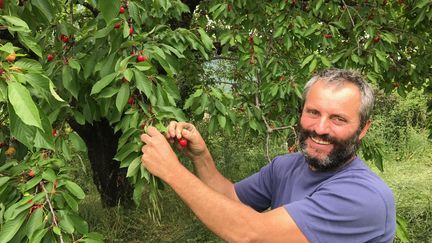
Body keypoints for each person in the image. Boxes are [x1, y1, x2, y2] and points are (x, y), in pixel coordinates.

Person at [140, 68, 396, 242]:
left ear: (363, 129)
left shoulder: (364, 198)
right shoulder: (286, 166)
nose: (320, 128)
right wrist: (200, 156)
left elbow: (251, 234)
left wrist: (171, 170)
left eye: (338, 119)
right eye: (313, 112)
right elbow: (231, 198)